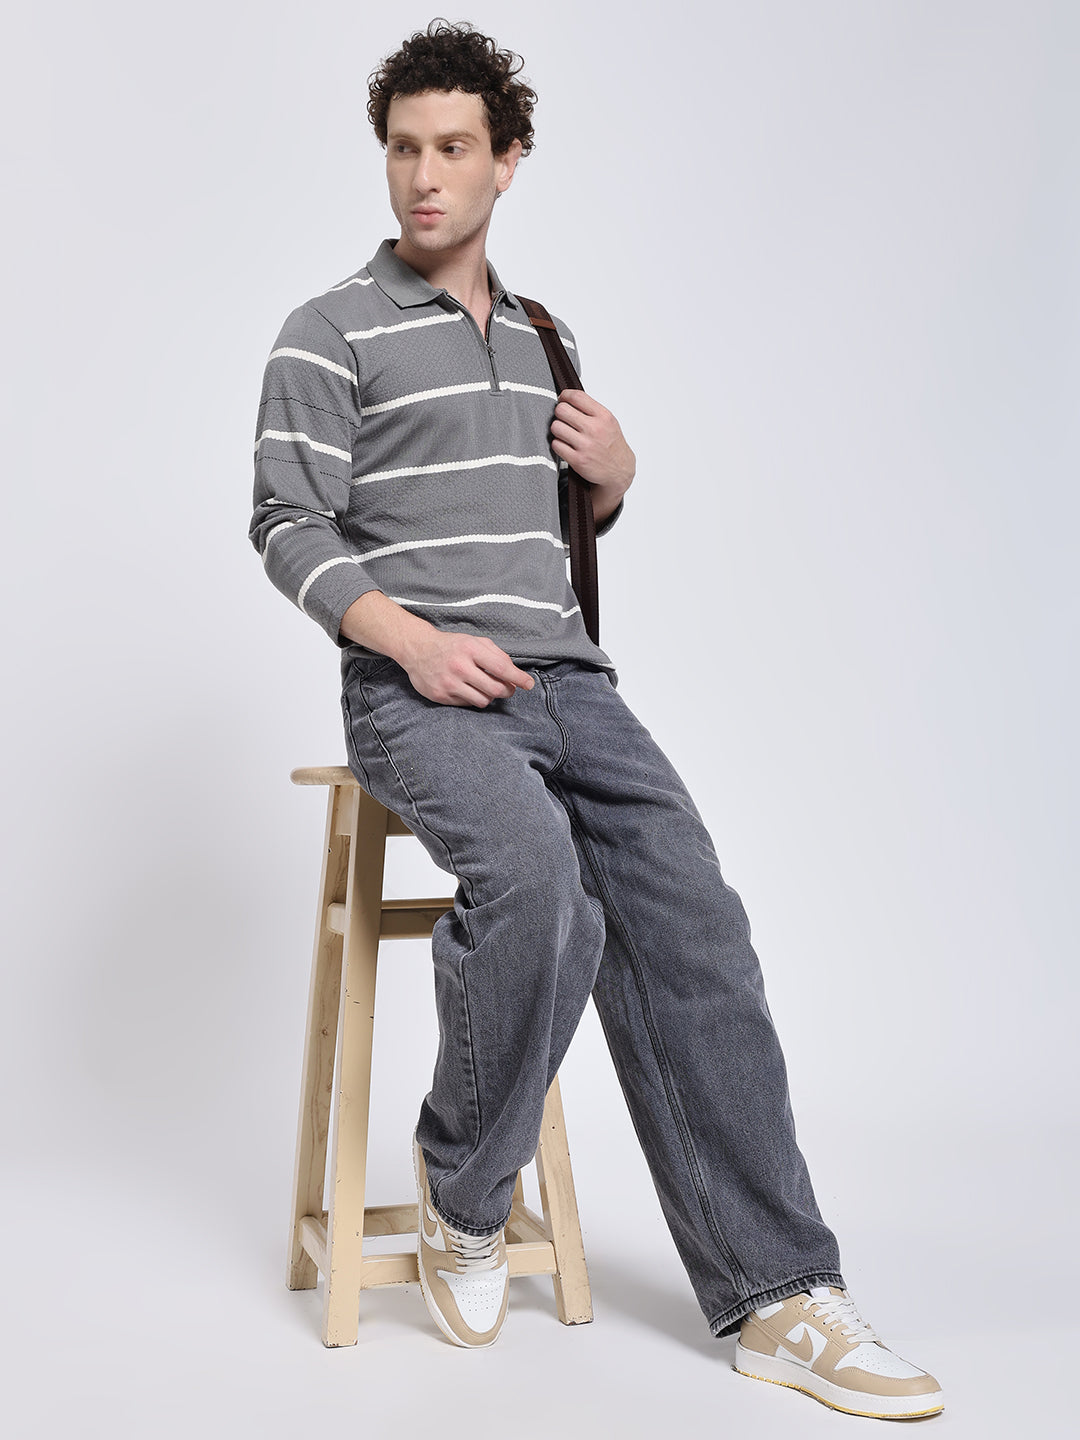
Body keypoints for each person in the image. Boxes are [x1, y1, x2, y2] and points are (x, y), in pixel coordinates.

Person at [249, 18, 944, 1421]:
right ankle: (465, 1190)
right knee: (541, 890)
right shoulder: (329, 332)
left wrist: (614, 480)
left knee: (699, 924)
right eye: (404, 148)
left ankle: (778, 1295)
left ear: (508, 161)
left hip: (572, 683)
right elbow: (285, 523)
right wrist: (412, 644)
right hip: (416, 690)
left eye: (454, 148)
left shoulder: (546, 338)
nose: (424, 176)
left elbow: (543, 532)